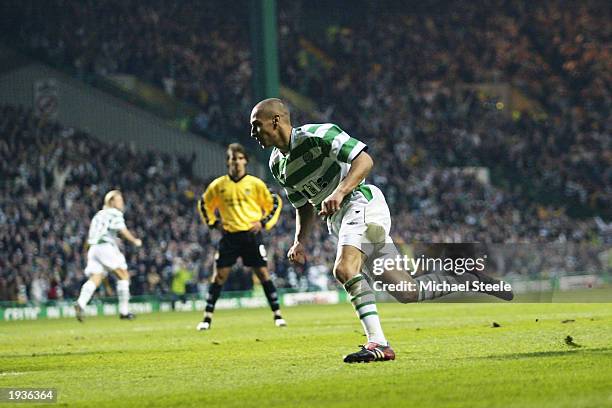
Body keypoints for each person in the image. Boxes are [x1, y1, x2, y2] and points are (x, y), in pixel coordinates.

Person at [249, 98, 513, 363]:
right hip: (341, 221)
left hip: (360, 203)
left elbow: (364, 160)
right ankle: (466, 277)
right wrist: (299, 242)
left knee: (344, 270)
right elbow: (303, 205)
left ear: (275, 120)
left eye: (256, 125)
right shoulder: (277, 164)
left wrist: (341, 191)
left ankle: (379, 344)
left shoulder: (319, 134)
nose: (253, 133)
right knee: (407, 292)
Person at [196, 143, 285, 330]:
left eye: (238, 158)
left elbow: (275, 201)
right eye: (231, 159)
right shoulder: (219, 185)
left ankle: (277, 315)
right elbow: (204, 203)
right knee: (219, 276)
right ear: (227, 162)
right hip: (229, 236)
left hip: (250, 235)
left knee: (262, 274)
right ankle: (207, 318)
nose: (235, 162)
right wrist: (214, 223)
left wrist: (263, 222)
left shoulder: (255, 184)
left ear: (245, 160)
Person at [74, 190, 142, 321]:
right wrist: (134, 241)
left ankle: (81, 303)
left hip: (93, 248)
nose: (122, 203)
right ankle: (124, 311)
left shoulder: (98, 215)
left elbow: (91, 235)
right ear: (111, 202)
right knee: (123, 275)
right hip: (105, 246)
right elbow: (122, 230)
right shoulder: (114, 213)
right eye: (119, 200)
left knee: (96, 277)